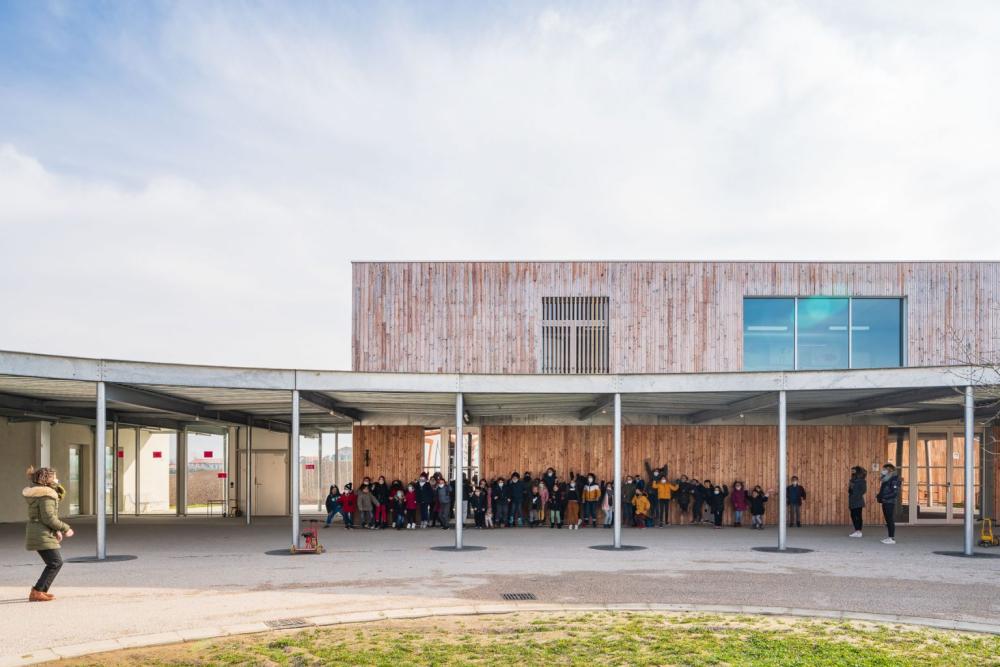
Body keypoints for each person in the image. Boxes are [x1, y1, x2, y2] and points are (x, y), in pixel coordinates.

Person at [24, 466, 73, 602]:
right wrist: (65, 528)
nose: (57, 479)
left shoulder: (41, 493)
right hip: (41, 533)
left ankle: (39, 591)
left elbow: (44, 515)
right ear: (46, 480)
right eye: (54, 477)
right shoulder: (46, 495)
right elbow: (48, 518)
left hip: (41, 531)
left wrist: (55, 530)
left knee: (54, 562)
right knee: (55, 562)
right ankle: (37, 592)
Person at [876, 463, 901, 545]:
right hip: (885, 501)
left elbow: (894, 493)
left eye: (884, 469)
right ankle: (889, 537)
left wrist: (884, 497)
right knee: (888, 520)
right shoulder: (886, 479)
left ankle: (891, 538)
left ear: (890, 469)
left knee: (890, 520)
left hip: (889, 502)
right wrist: (879, 496)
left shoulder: (894, 479)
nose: (883, 471)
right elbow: (884, 490)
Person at [848, 466, 867, 538]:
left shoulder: (862, 480)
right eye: (852, 471)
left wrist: (856, 496)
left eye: (853, 471)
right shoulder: (852, 480)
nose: (852, 472)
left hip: (858, 501)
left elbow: (863, 490)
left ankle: (859, 531)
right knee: (853, 516)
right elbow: (850, 490)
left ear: (858, 472)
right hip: (852, 500)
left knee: (858, 516)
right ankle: (856, 530)